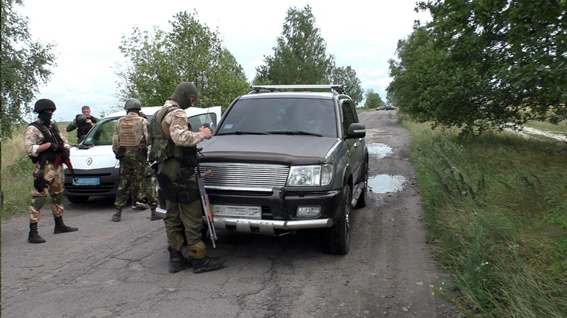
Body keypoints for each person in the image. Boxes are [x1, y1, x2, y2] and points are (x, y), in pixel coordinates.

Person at [148, 82, 224, 274]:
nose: (191, 104)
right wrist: (202, 134)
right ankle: (198, 259)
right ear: (185, 95)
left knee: (172, 215)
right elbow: (180, 138)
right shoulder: (177, 113)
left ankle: (175, 259)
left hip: (164, 172)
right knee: (192, 215)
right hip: (181, 172)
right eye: (191, 99)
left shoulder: (158, 114)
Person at [24, 98, 79, 244]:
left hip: (57, 165)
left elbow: (63, 141)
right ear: (41, 112)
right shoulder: (33, 129)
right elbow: (30, 150)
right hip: (44, 167)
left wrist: (65, 149)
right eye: (48, 111)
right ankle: (33, 232)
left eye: (52, 111)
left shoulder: (52, 126)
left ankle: (59, 225)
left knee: (58, 195)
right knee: (39, 198)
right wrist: (48, 145)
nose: (50, 114)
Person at [111, 98, 158, 222]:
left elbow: (115, 140)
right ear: (138, 109)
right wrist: (148, 152)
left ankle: (117, 212)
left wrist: (117, 152)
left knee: (124, 182)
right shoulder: (142, 121)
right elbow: (148, 139)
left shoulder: (120, 121)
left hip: (124, 154)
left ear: (127, 109)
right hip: (138, 154)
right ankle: (154, 210)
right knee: (148, 180)